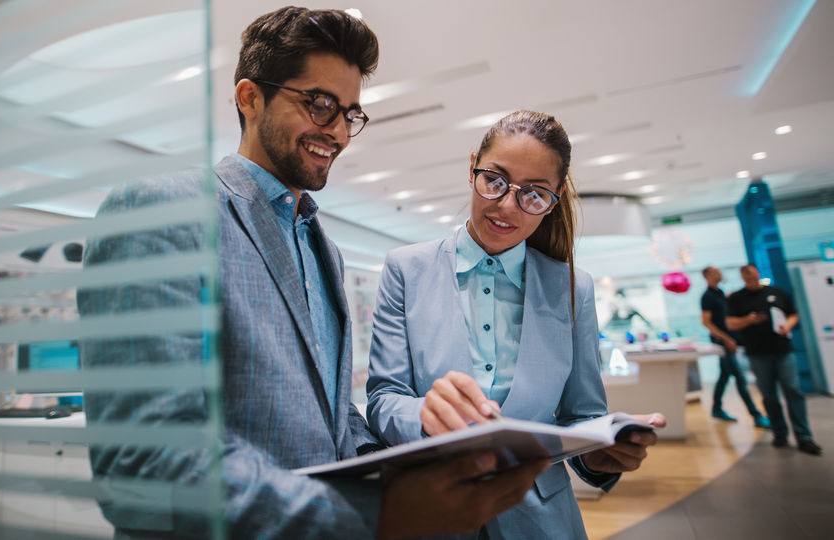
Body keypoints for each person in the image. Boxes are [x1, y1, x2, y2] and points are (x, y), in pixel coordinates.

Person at [77, 7, 547, 539]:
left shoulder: (322, 245)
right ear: (250, 97)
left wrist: (406, 468)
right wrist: (377, 515)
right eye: (321, 105)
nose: (339, 133)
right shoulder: (164, 212)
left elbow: (329, 415)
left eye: (350, 113)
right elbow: (147, 467)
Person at [366, 110, 666, 539]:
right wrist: (428, 418)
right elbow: (384, 397)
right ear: (473, 166)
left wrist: (595, 453)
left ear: (555, 198)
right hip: (431, 508)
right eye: (495, 180)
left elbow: (583, 414)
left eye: (534, 195)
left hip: (541, 518)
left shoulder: (571, 287)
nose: (507, 206)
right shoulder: (406, 269)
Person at [726, 264, 822, 456]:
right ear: (743, 278)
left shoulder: (776, 292)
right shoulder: (737, 298)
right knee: (769, 395)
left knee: (793, 390)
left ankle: (804, 436)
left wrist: (787, 325)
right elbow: (730, 323)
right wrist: (748, 320)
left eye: (753, 276)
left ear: (758, 275)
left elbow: (793, 314)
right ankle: (780, 433)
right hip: (757, 353)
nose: (751, 280)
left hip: (782, 350)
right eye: (747, 278)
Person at [700, 266, 771, 427]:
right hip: (723, 343)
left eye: (719, 271)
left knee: (725, 376)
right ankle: (756, 415)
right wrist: (725, 339)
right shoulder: (707, 296)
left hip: (732, 340)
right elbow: (706, 322)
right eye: (715, 272)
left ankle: (716, 408)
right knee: (740, 378)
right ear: (707, 276)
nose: (719, 273)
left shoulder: (722, 294)